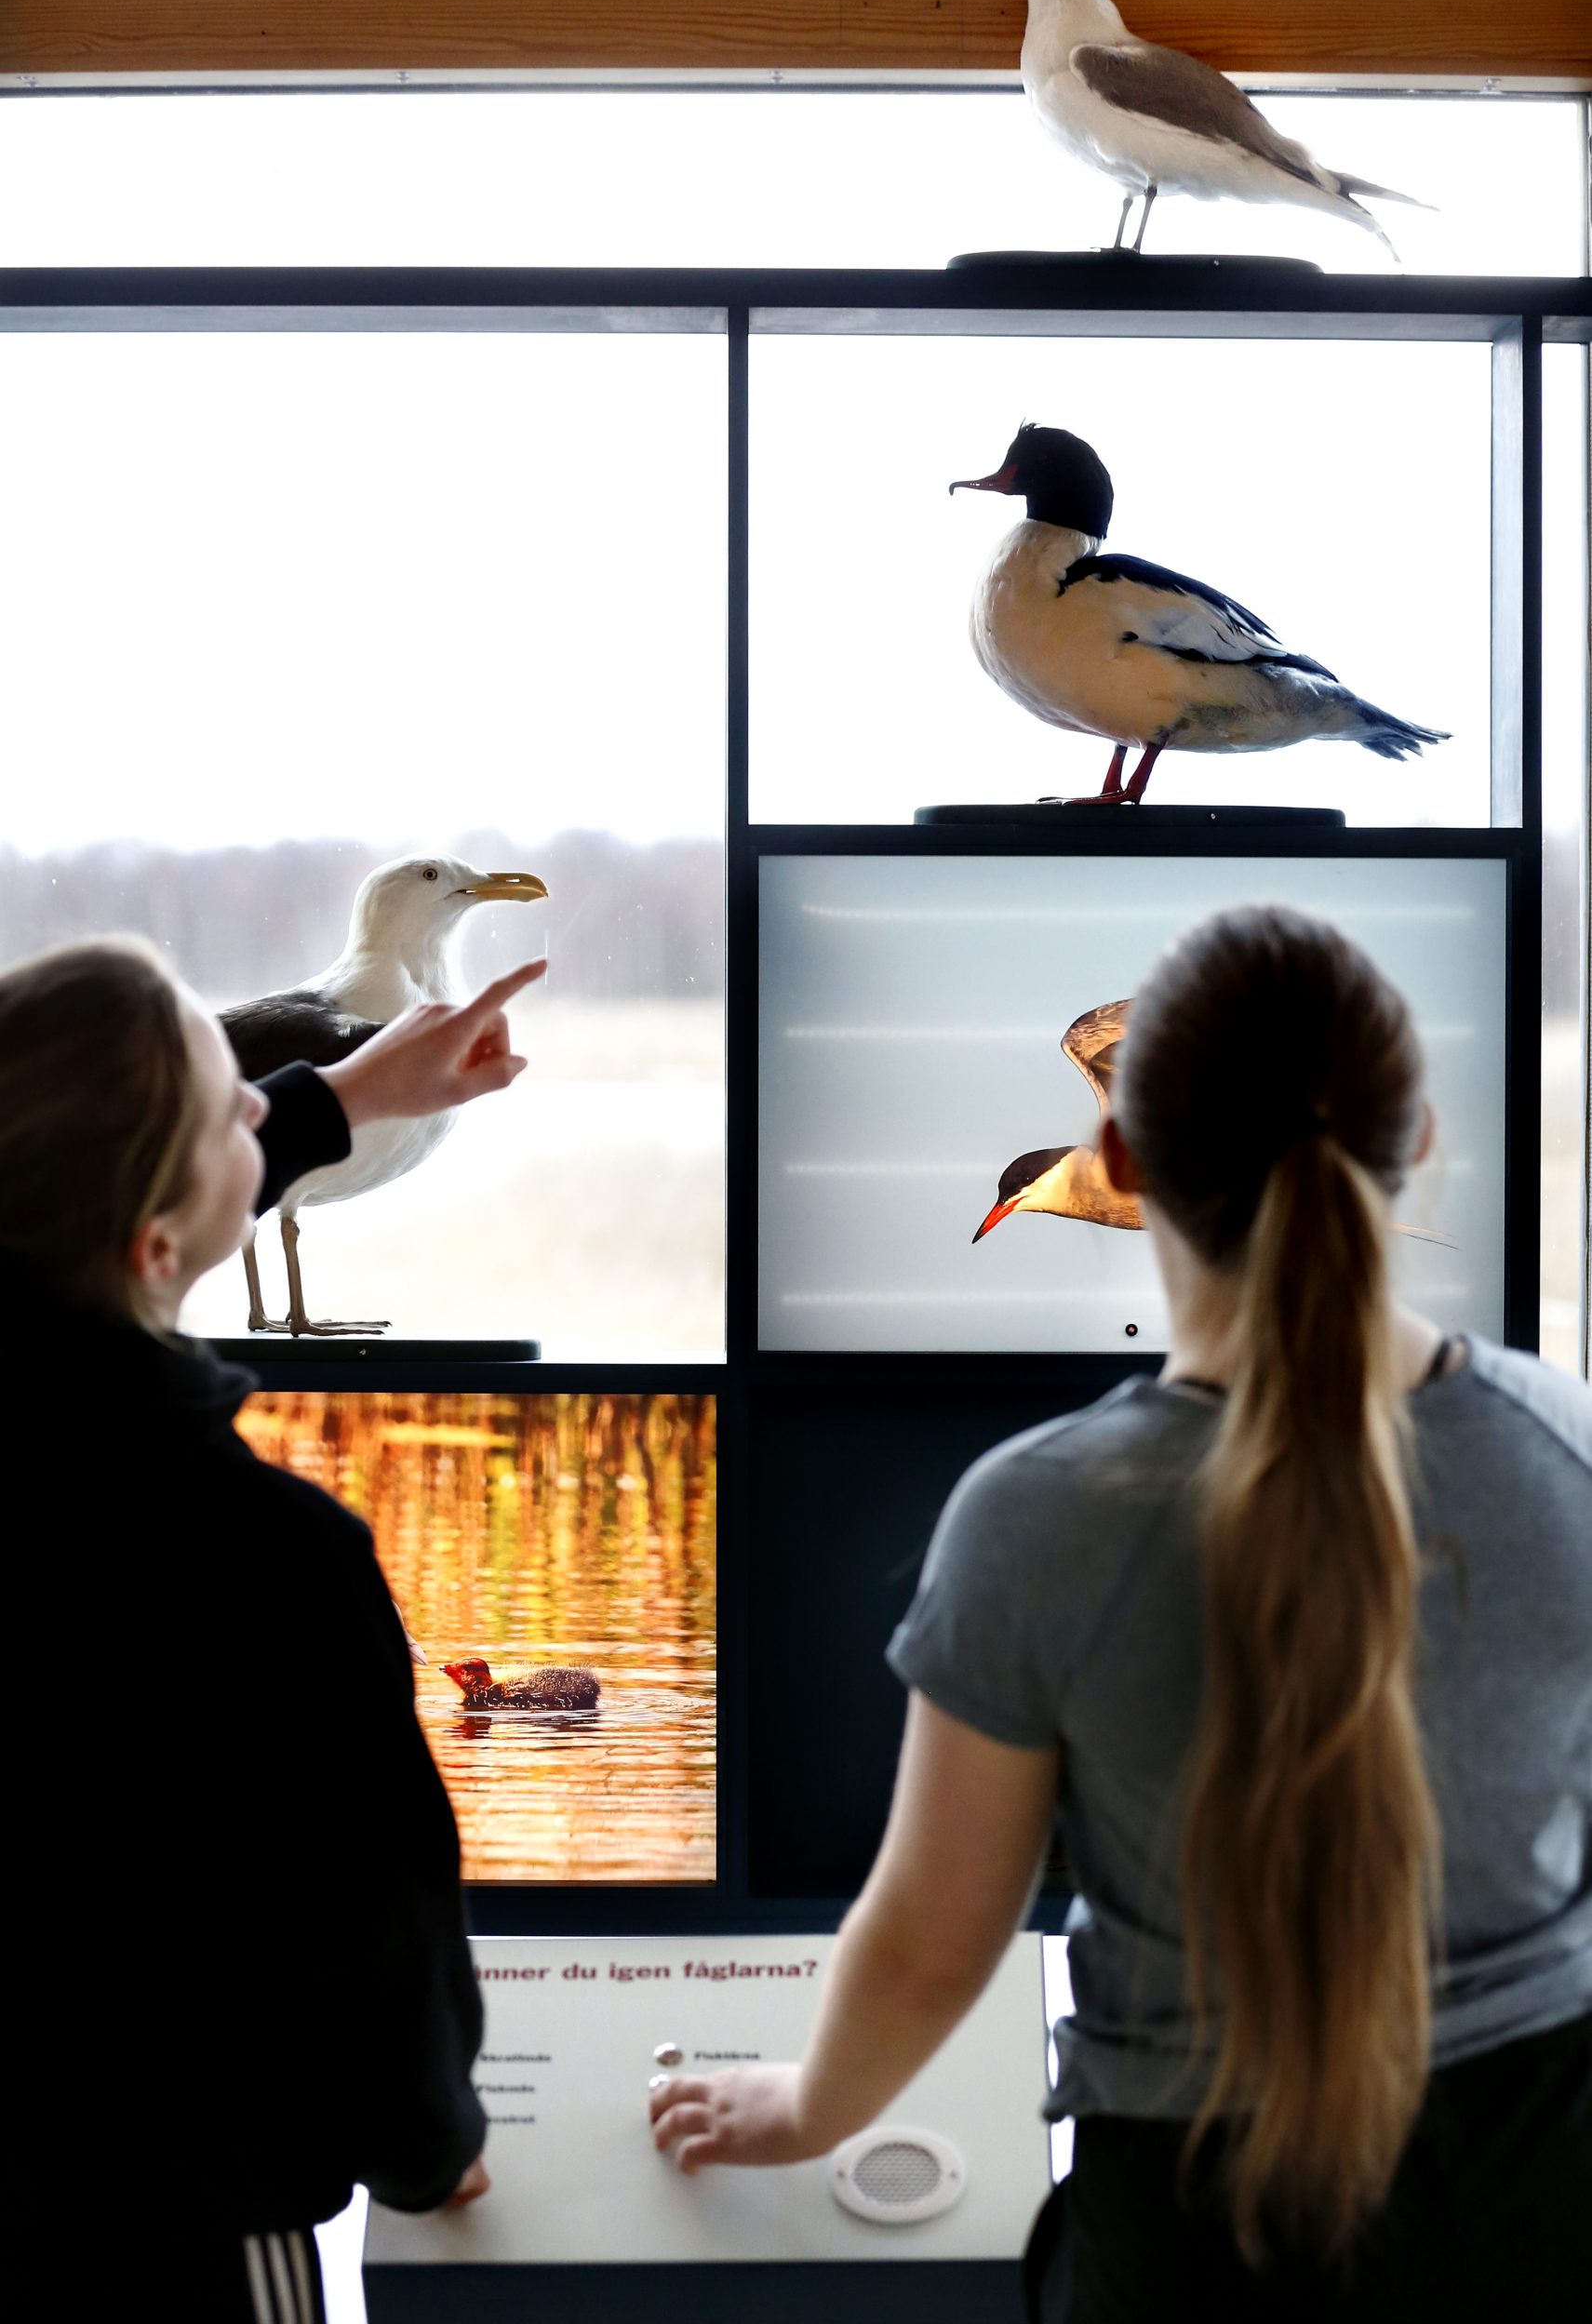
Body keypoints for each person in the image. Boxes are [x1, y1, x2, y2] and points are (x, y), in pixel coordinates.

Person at [650, 905, 1592, 2319]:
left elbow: (928, 1943)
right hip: (1541, 2197)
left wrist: (804, 2111)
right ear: (1423, 1141)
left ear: (1124, 1163)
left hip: (1196, 2235)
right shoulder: (1566, 1447)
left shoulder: (1042, 1518)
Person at [4, 936, 544, 2318]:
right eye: (228, 1100)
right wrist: (435, 2147)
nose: (267, 1099)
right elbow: (378, 1942)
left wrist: (348, 1097)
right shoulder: (267, 1560)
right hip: (178, 2238)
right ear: (158, 1246)